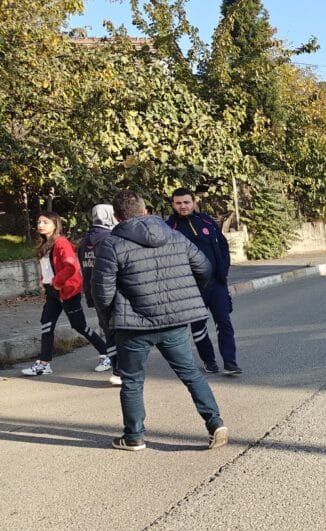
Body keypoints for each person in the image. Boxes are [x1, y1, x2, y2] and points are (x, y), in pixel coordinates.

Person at [93, 190, 229, 452]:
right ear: (145, 211)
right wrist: (184, 295)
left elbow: (102, 291)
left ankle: (134, 437)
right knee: (190, 373)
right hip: (174, 322)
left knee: (132, 381)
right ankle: (215, 423)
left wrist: (109, 319)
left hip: (132, 325)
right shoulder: (175, 235)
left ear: (117, 217)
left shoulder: (111, 244)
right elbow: (204, 267)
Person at [21, 211, 112, 377]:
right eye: (39, 222)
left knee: (79, 325)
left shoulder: (61, 243)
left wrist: (56, 282)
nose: (41, 225)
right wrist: (44, 281)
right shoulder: (45, 244)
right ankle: (44, 364)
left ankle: (107, 354)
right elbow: (48, 267)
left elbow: (70, 267)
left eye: (45, 222)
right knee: (46, 325)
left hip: (67, 291)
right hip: (53, 292)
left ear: (55, 224)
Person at [165, 188, 241, 375]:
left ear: (193, 202)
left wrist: (223, 269)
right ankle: (209, 360)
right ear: (173, 204)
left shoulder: (207, 221)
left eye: (186, 202)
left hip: (216, 284)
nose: (183, 206)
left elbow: (222, 246)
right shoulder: (169, 228)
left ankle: (230, 362)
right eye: (178, 203)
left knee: (224, 322)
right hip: (190, 287)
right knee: (198, 327)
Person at [79, 204, 122, 386]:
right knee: (121, 333)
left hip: (94, 293)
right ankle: (123, 370)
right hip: (114, 293)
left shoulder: (83, 242)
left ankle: (116, 370)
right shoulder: (111, 239)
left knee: (108, 333)